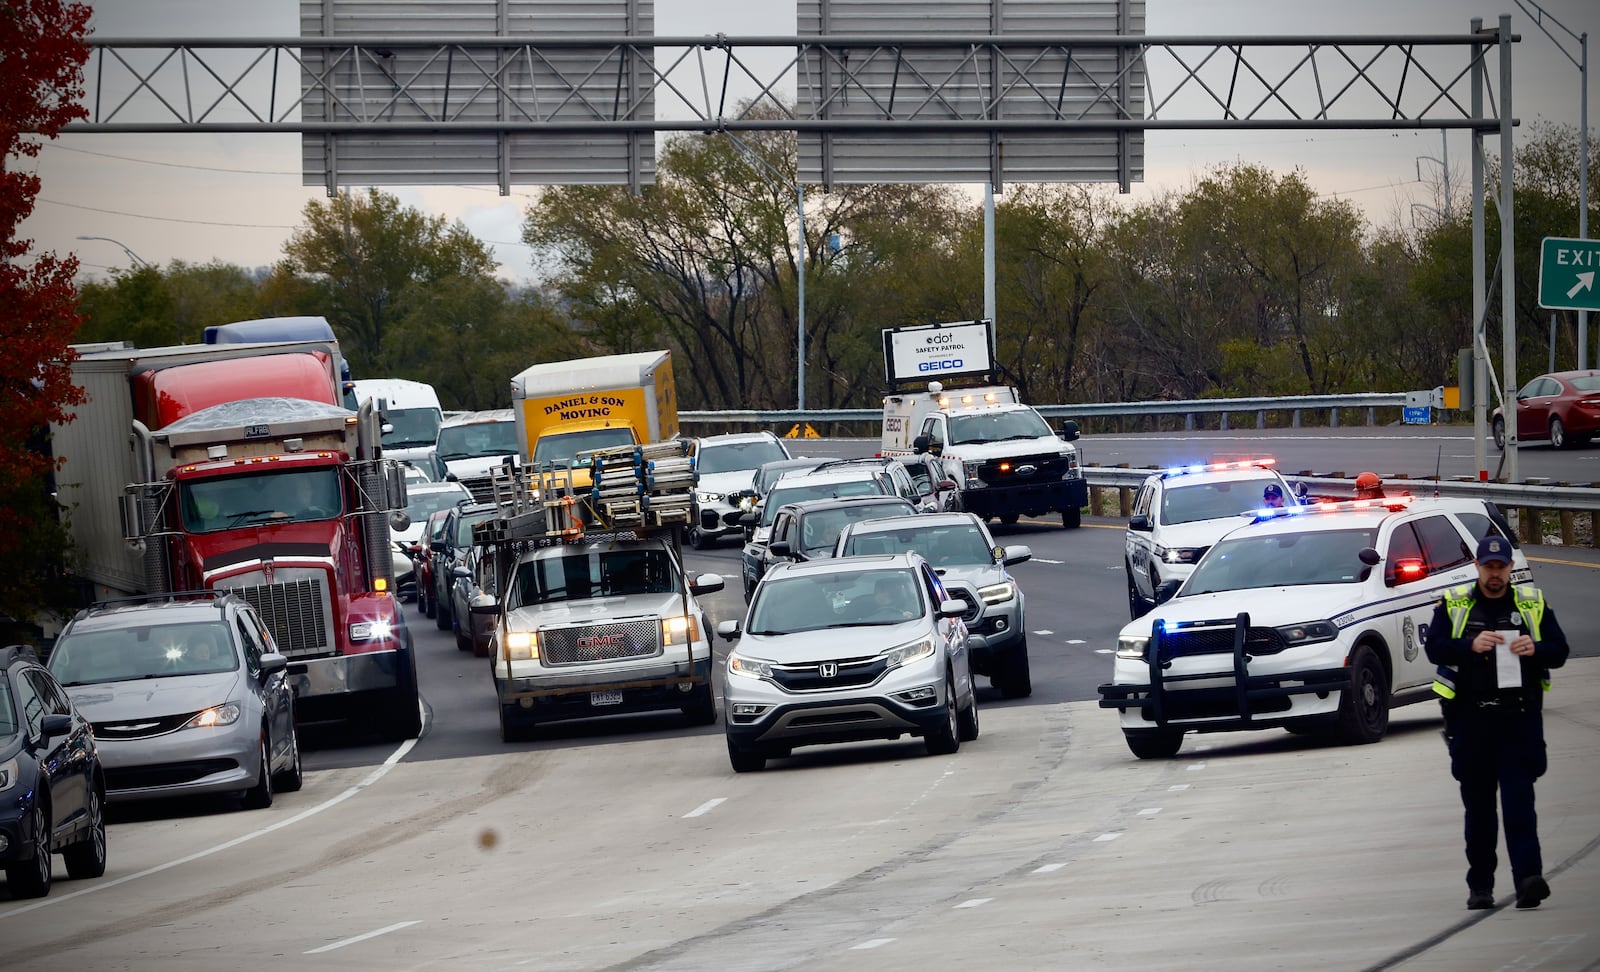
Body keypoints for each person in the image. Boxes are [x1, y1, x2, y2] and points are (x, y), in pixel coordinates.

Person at [1423, 535, 1569, 912]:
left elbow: (1560, 651)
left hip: (1518, 720)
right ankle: (1481, 886)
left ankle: (1528, 880)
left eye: (1501, 567)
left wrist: (1534, 648)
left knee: (1521, 805)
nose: (1495, 574)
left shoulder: (1531, 603)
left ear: (1510, 568)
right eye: (1488, 567)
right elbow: (1435, 648)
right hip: (1472, 723)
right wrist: (1469, 647)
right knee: (1480, 811)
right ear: (1477, 567)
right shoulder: (1455, 604)